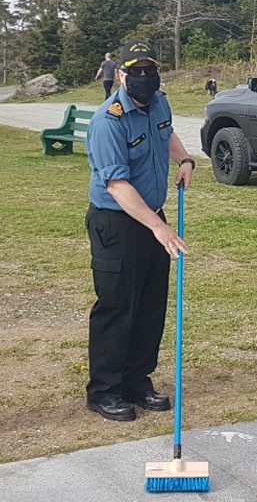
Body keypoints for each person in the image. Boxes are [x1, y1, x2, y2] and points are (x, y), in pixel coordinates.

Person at [84, 40, 196, 422]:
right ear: (121, 75)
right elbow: (116, 185)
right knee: (117, 307)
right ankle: (105, 390)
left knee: (150, 304)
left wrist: (184, 159)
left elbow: (167, 134)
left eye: (150, 70)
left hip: (152, 219)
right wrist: (160, 228)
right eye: (136, 71)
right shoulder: (108, 120)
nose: (145, 77)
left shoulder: (159, 102)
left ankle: (137, 380)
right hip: (117, 222)